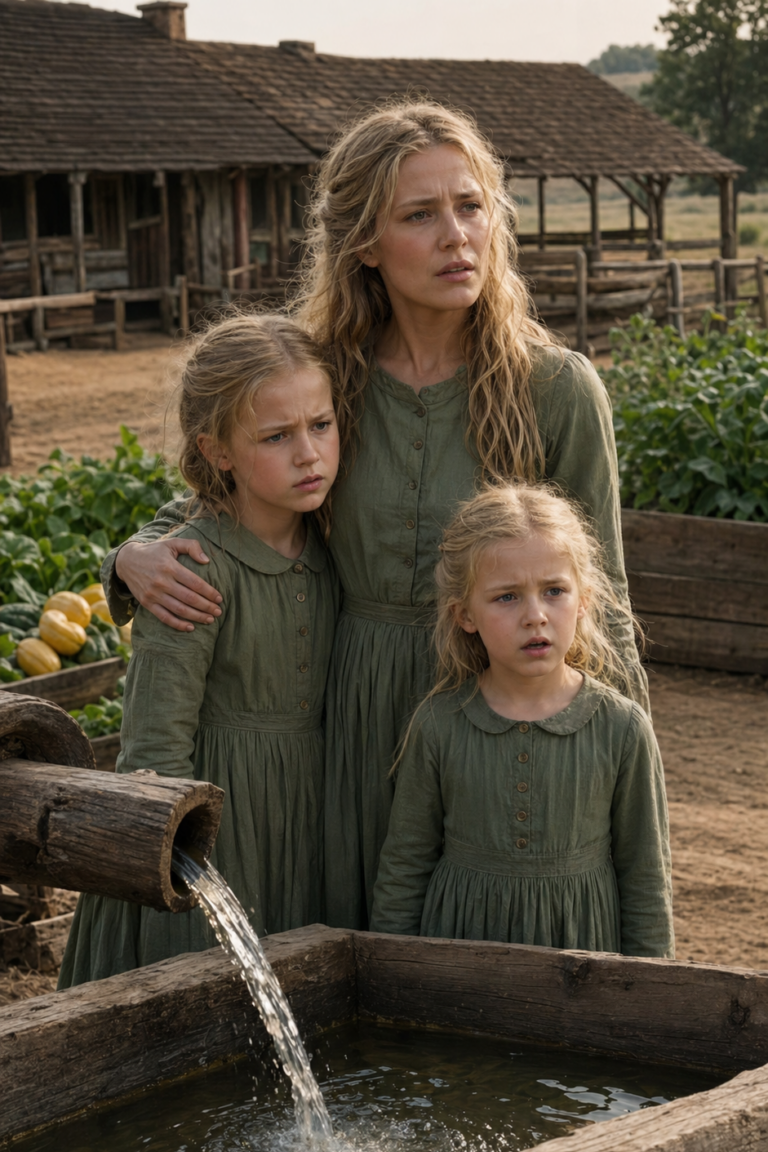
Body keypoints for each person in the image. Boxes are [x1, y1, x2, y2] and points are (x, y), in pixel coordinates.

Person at [98, 101, 648, 933]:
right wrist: (132, 553)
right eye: (420, 215)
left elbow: (601, 600)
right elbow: (238, 479)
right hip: (345, 718)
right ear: (364, 243)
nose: (456, 235)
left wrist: (614, 788)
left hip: (489, 717)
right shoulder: (330, 375)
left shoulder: (555, 388)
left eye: (471, 206)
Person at [58, 314, 340, 987]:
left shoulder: (335, 542)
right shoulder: (188, 571)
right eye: (276, 436)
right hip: (212, 838)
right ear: (218, 451)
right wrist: (177, 867)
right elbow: (154, 751)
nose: (309, 453)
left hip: (308, 827)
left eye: (321, 425)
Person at [370, 484, 674, 957]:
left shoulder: (623, 729)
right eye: (507, 597)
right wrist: (390, 975)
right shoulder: (438, 724)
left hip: (581, 972)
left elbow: (646, 883)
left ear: (585, 599)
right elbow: (405, 868)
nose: (535, 616)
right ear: (464, 615)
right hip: (458, 970)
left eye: (554, 591)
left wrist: (651, 994)